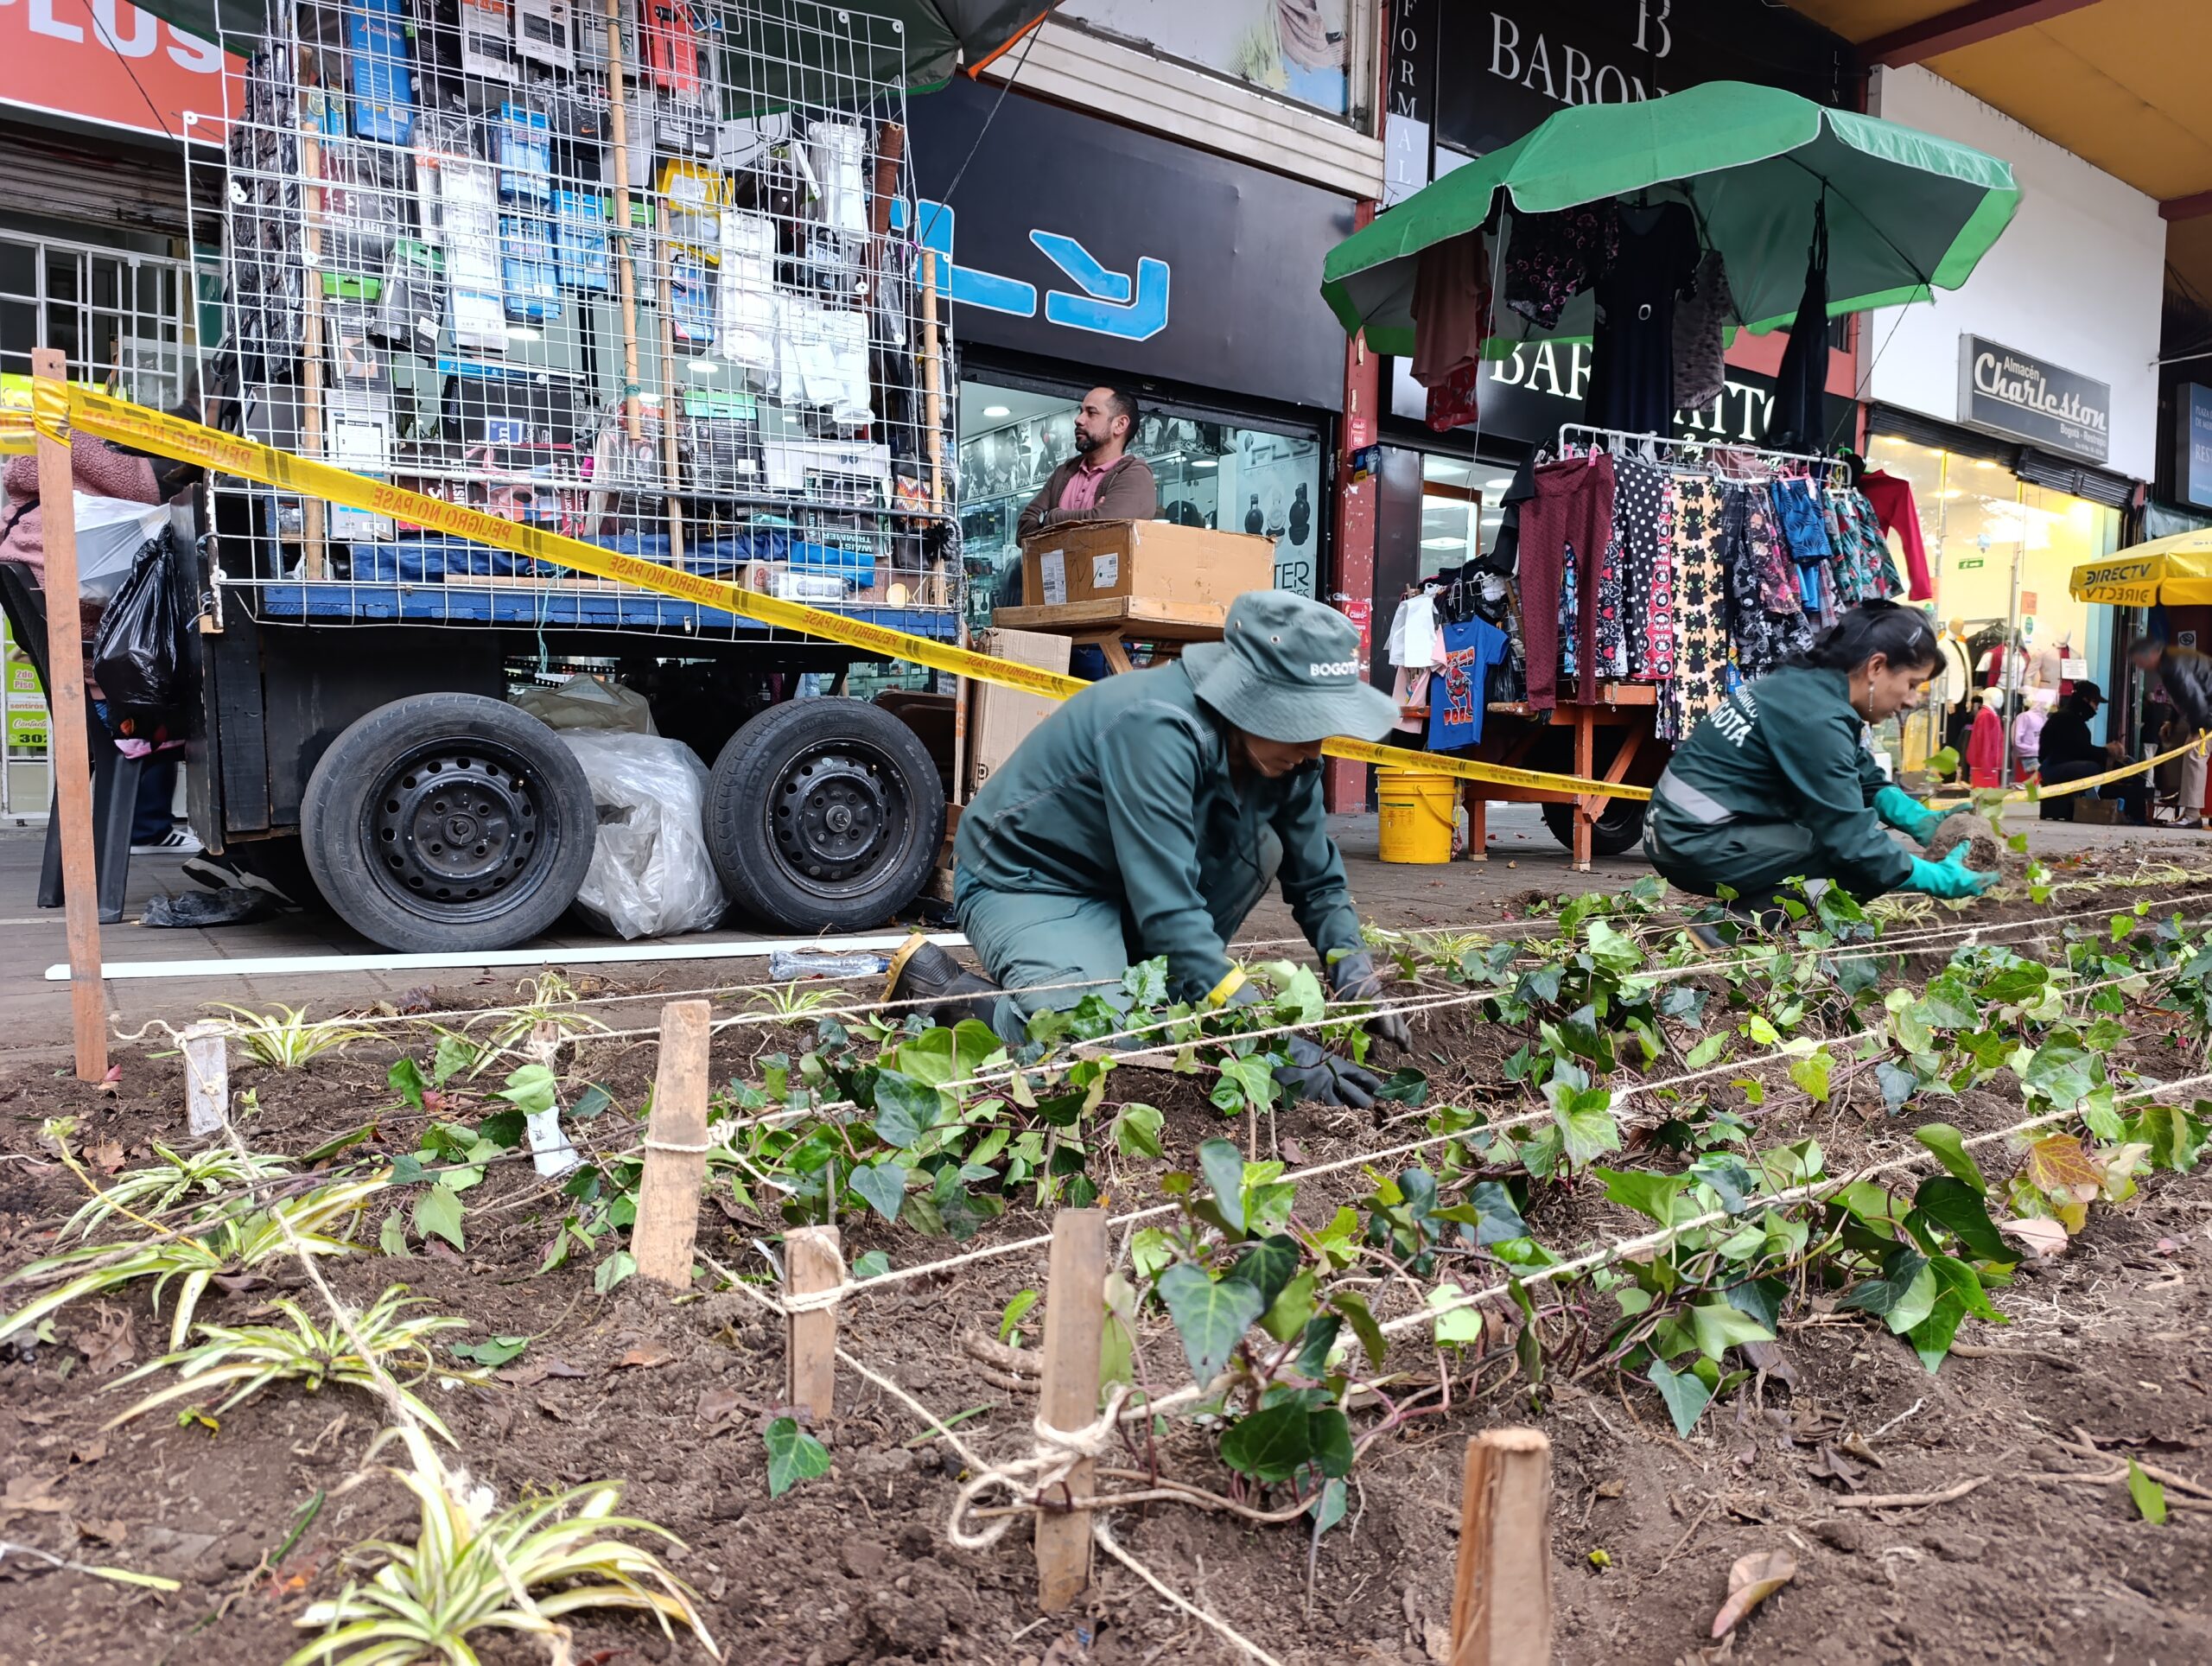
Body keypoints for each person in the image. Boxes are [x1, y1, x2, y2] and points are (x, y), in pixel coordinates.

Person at [887, 590, 1407, 1108]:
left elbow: (1317, 881)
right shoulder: (1155, 724)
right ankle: (950, 997)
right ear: (1250, 699)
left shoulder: (1287, 760)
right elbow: (1169, 909)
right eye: (1304, 726)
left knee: (1266, 842)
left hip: (1130, 882)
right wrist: (1270, 1048)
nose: (1314, 750)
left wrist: (1355, 971)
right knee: (1102, 1038)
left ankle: (1174, 988)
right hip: (1030, 878)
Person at [1643, 601, 1996, 922]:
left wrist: (1917, 818)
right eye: (1912, 684)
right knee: (1852, 862)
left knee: (1850, 851)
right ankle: (1731, 928)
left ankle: (1756, 917)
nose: (1911, 700)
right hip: (1694, 842)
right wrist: (1938, 879)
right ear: (1877, 666)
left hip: (1685, 830)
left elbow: (1856, 771)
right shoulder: (1815, 717)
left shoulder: (1810, 688)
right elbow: (1855, 845)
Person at [1014, 385, 1158, 541]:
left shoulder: (1136, 475)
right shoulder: (1064, 472)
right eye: (1081, 412)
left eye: (1091, 413)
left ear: (1120, 425)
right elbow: (1024, 530)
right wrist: (1090, 516)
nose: (1079, 420)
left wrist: (1049, 517)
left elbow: (1106, 527)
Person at [2037, 682, 2145, 823]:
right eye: (2095, 703)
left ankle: (2112, 805)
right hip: (2052, 767)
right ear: (2085, 700)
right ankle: (2097, 805)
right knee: (2093, 767)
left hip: (2056, 765)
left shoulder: (2073, 720)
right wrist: (2107, 752)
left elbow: (2081, 750)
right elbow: (2079, 751)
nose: (2097, 708)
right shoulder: (2067, 719)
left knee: (2116, 763)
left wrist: (2106, 752)